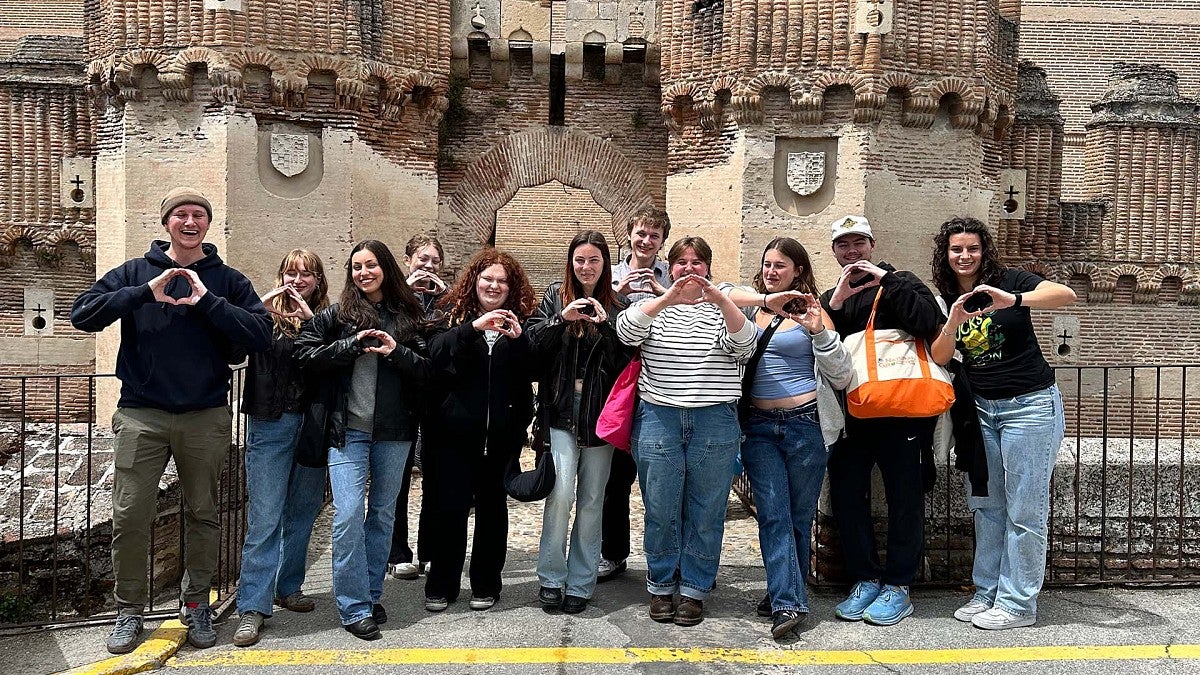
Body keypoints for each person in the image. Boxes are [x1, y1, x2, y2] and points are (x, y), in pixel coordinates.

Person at [70, 187, 271, 653]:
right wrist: (144, 293)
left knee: (203, 513)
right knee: (130, 514)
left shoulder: (227, 280)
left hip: (204, 415)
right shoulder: (136, 272)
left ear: (207, 224)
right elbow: (82, 313)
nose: (189, 222)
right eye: (180, 214)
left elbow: (260, 334)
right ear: (166, 224)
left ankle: (197, 604)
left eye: (198, 215)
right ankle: (129, 610)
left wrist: (206, 302)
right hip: (142, 414)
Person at [930, 216, 1074, 630]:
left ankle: (1017, 604)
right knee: (989, 506)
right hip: (982, 412)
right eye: (957, 249)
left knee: (1025, 509)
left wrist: (1013, 299)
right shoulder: (944, 298)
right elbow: (941, 357)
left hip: (1029, 405)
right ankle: (987, 591)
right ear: (947, 253)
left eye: (972, 248)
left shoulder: (1009, 280)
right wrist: (954, 321)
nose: (965, 255)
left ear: (983, 250)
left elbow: (1064, 294)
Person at [615, 236, 757, 627]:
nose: (690, 268)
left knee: (707, 511)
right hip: (660, 418)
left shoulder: (724, 309)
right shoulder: (652, 306)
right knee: (660, 509)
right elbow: (626, 332)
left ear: (709, 269)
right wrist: (667, 299)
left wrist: (720, 299)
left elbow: (745, 345)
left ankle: (695, 589)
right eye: (681, 262)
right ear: (670, 267)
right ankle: (661, 586)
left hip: (714, 419)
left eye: (698, 262)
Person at [294, 240, 430, 640]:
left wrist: (395, 352)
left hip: (394, 431)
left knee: (383, 514)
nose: (363, 272)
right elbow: (306, 356)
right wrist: (350, 346)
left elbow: (428, 370)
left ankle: (370, 594)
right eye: (356, 267)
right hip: (346, 430)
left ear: (386, 267)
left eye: (370, 265)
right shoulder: (337, 316)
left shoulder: (409, 315)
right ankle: (352, 605)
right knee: (349, 513)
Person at [818, 215, 942, 626]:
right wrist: (835, 300)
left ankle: (899, 585)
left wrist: (886, 280)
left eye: (858, 244)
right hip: (852, 418)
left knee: (905, 499)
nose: (851, 252)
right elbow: (820, 339)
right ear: (834, 252)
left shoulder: (902, 281)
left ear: (872, 245)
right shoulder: (832, 295)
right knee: (848, 497)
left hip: (901, 413)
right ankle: (866, 578)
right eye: (843, 246)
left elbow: (928, 322)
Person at [735, 238, 853, 640]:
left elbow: (841, 375)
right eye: (767, 264)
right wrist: (767, 300)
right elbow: (724, 293)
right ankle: (789, 602)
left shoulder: (815, 313)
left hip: (806, 424)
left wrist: (820, 334)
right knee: (772, 513)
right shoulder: (752, 308)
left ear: (798, 270)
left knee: (799, 517)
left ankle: (784, 589)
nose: (771, 271)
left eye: (780, 266)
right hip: (759, 427)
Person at [423, 248, 537, 612]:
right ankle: (441, 584)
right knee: (450, 508)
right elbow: (434, 354)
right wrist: (472, 328)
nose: (494, 285)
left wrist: (519, 340)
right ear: (474, 281)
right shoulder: (451, 314)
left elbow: (533, 370)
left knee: (493, 512)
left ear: (511, 287)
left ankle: (486, 584)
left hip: (501, 436)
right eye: (488, 278)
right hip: (454, 433)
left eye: (502, 281)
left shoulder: (522, 320)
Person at [527, 231, 633, 614]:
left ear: (605, 265)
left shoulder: (619, 306)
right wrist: (560, 319)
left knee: (592, 499)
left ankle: (582, 580)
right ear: (570, 262)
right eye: (579, 260)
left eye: (593, 261)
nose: (585, 267)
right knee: (561, 494)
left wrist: (607, 328)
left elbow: (627, 364)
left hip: (600, 416)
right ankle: (551, 577)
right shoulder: (555, 296)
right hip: (559, 411)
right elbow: (532, 345)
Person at [233, 250, 331, 647]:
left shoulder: (328, 318)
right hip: (270, 422)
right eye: (291, 272)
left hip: (312, 425)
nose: (298, 279)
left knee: (304, 511)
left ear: (318, 281)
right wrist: (261, 307)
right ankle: (252, 606)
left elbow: (335, 360)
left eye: (306, 274)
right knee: (264, 517)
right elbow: (236, 347)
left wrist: (312, 323)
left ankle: (288, 586)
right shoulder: (263, 317)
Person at [600, 206, 672, 582]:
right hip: (616, 380)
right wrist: (618, 295)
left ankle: (665, 559)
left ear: (663, 241)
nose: (646, 241)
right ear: (628, 235)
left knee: (661, 480)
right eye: (641, 234)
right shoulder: (610, 275)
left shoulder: (671, 275)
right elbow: (598, 320)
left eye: (654, 236)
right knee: (615, 475)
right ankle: (613, 552)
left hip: (659, 377)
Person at [387, 234, 449, 581]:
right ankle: (396, 553)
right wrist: (406, 293)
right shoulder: (393, 299)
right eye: (422, 259)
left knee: (434, 481)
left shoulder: (446, 302)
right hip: (401, 402)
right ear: (408, 260)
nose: (428, 266)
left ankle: (429, 551)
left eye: (435, 261)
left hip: (436, 404)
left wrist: (443, 299)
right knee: (395, 482)